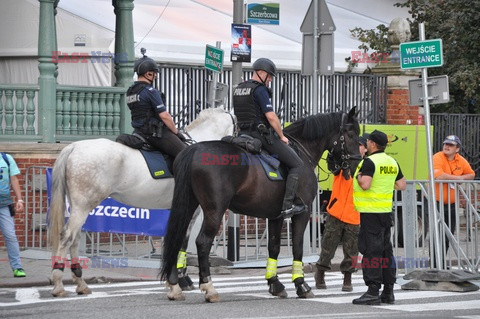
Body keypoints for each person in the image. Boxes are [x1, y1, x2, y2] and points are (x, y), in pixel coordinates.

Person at [232, 58, 306, 219]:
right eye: (270, 76)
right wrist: (281, 136)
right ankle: (288, 205)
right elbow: (271, 117)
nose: (271, 80)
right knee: (297, 164)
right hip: (261, 135)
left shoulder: (239, 88)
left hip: (242, 135)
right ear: (261, 73)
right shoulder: (260, 90)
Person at [352, 130, 406, 305]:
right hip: (385, 212)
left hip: (371, 213)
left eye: (367, 141)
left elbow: (365, 185)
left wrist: (360, 177)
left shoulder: (369, 162)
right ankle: (388, 291)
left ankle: (373, 291)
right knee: (385, 251)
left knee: (371, 251)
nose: (366, 143)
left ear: (373, 144)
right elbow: (402, 185)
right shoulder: (392, 161)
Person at [315, 135, 368, 292]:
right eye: (355, 144)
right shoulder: (343, 161)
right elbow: (331, 165)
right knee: (327, 246)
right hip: (336, 212)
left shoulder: (368, 166)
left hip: (354, 214)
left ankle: (348, 278)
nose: (357, 147)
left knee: (352, 250)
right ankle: (320, 273)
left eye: (360, 145)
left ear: (365, 149)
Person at [127, 56, 186, 158]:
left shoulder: (131, 91)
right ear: (148, 73)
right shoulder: (150, 91)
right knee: (186, 155)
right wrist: (176, 131)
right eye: (154, 73)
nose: (155, 76)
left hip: (138, 132)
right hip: (154, 134)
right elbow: (165, 116)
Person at [432, 135, 474, 257]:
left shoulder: (460, 160)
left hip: (451, 203)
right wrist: (459, 178)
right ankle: (435, 264)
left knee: (448, 234)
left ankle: (443, 263)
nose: (447, 147)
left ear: (457, 149)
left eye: (450, 145)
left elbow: (471, 174)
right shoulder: (438, 157)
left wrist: (461, 178)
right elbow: (439, 176)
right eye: (445, 144)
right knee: (438, 233)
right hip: (436, 201)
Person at [0, 152, 26, 277]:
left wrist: (19, 199)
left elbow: (14, 179)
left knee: (10, 236)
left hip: (4, 204)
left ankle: (17, 267)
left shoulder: (6, 158)